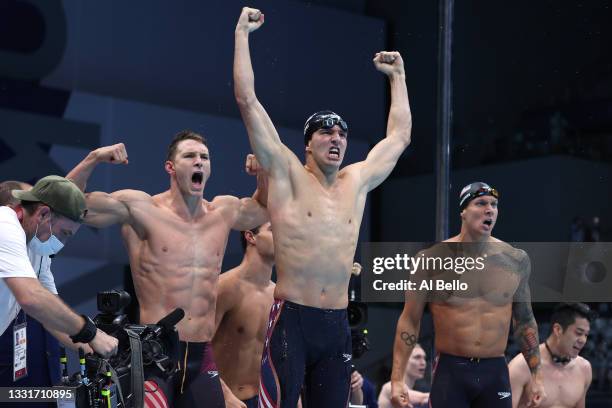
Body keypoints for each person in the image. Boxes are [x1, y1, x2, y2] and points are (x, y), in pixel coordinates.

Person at [234, 7, 412, 407]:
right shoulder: (286, 174)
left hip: (336, 326)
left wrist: (398, 78)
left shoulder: (357, 181)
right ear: (308, 143)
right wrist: (242, 35)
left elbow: (399, 136)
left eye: (342, 133)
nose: (336, 139)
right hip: (291, 320)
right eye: (326, 132)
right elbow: (247, 100)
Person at [66, 137, 268, 407]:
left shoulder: (223, 212)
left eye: (204, 157)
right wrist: (93, 158)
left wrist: (264, 173)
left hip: (201, 356)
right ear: (170, 167)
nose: (199, 161)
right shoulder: (141, 209)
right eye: (190, 156)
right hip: (152, 357)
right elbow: (70, 205)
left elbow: (265, 211)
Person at [390, 182, 546, 408]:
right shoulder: (430, 260)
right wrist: (397, 380)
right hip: (451, 371)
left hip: (495, 371)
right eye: (481, 203)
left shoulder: (516, 260)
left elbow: (524, 321)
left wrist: (537, 376)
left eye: (494, 204)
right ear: (463, 211)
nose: (489, 209)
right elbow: (410, 320)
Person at [0, 176, 118, 366]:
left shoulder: (37, 246)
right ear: (44, 214)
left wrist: (96, 350)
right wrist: (91, 332)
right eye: (64, 233)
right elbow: (32, 298)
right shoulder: (4, 225)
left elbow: (51, 315)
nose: (62, 243)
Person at [212, 222, 275, 408]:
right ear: (251, 236)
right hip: (224, 400)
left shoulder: (277, 295)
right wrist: (225, 395)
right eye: (273, 229)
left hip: (263, 401)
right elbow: (197, 350)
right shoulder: (224, 287)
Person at [509, 303, 593, 408]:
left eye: (586, 335)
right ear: (558, 330)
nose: (583, 340)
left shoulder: (584, 369)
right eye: (578, 333)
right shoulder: (521, 367)